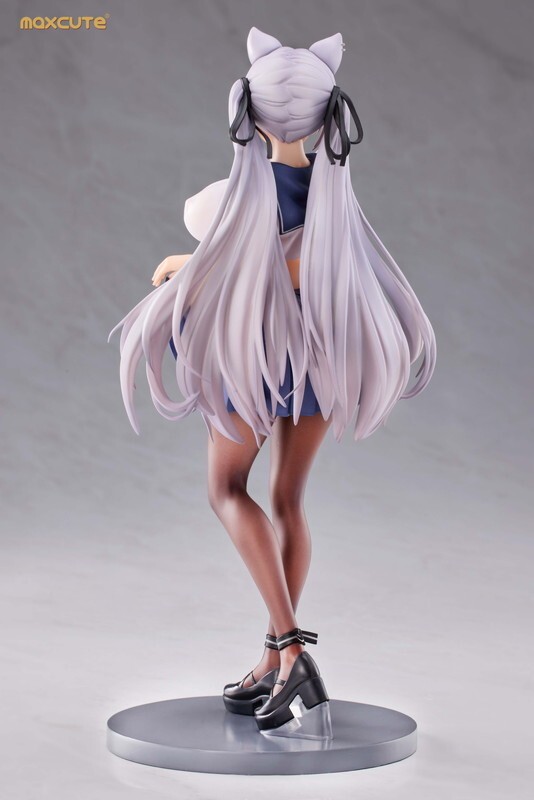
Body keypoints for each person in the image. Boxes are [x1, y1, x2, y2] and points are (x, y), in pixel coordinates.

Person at [108, 27, 437, 740]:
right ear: (324, 118)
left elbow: (249, 266)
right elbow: (309, 267)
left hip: (256, 357)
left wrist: (183, 268)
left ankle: (290, 651)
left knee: (227, 489)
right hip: (320, 356)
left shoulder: (229, 197)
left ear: (248, 114)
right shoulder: (336, 199)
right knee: (288, 498)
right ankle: (270, 659)